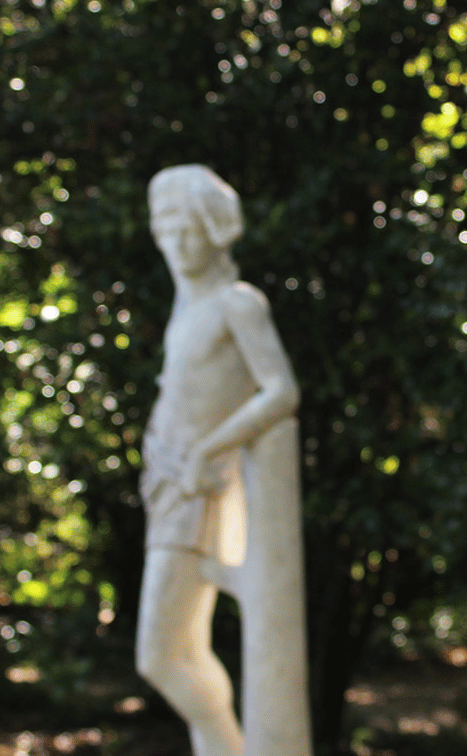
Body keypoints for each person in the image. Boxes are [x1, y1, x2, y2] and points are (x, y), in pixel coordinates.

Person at [137, 164, 308, 756]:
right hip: (168, 483)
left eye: (187, 229)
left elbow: (282, 390)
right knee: (177, 648)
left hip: (200, 486)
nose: (176, 244)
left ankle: (226, 746)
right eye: (166, 230)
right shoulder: (186, 308)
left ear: (214, 229)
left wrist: (212, 446)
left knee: (160, 654)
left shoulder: (238, 304)